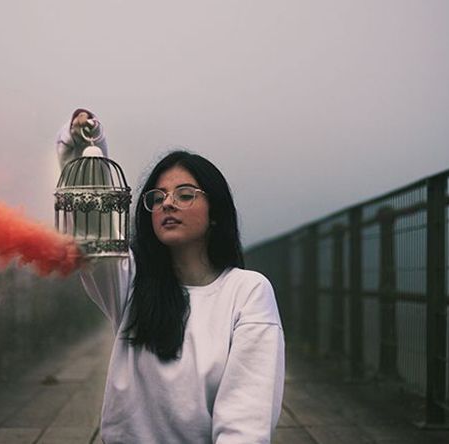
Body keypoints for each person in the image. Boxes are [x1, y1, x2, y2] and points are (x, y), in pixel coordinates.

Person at [55, 109, 285, 444]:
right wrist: (85, 146)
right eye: (157, 198)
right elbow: (95, 229)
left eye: (185, 194)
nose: (168, 204)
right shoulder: (132, 282)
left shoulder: (247, 291)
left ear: (216, 212)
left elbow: (245, 420)